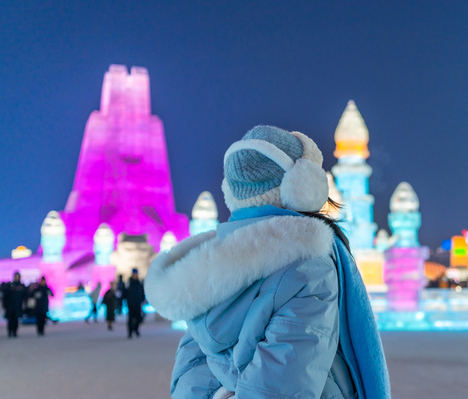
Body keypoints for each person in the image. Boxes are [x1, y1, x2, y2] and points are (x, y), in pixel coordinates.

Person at [146, 125, 390, 398]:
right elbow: (281, 381)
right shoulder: (309, 269)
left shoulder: (203, 271)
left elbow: (192, 369)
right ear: (303, 186)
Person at [2, 272, 27, 337]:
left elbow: (25, 296)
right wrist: (5, 305)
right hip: (10, 306)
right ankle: (10, 331)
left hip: (18, 306)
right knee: (10, 320)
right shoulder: (10, 285)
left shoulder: (21, 286)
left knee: (16, 319)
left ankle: (14, 332)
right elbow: (5, 296)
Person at [125, 269, 144, 338]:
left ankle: (135, 329)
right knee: (130, 318)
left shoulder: (139, 283)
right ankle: (130, 332)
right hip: (130, 304)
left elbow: (142, 292)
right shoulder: (128, 283)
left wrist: (142, 299)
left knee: (139, 318)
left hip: (138, 303)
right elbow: (125, 292)